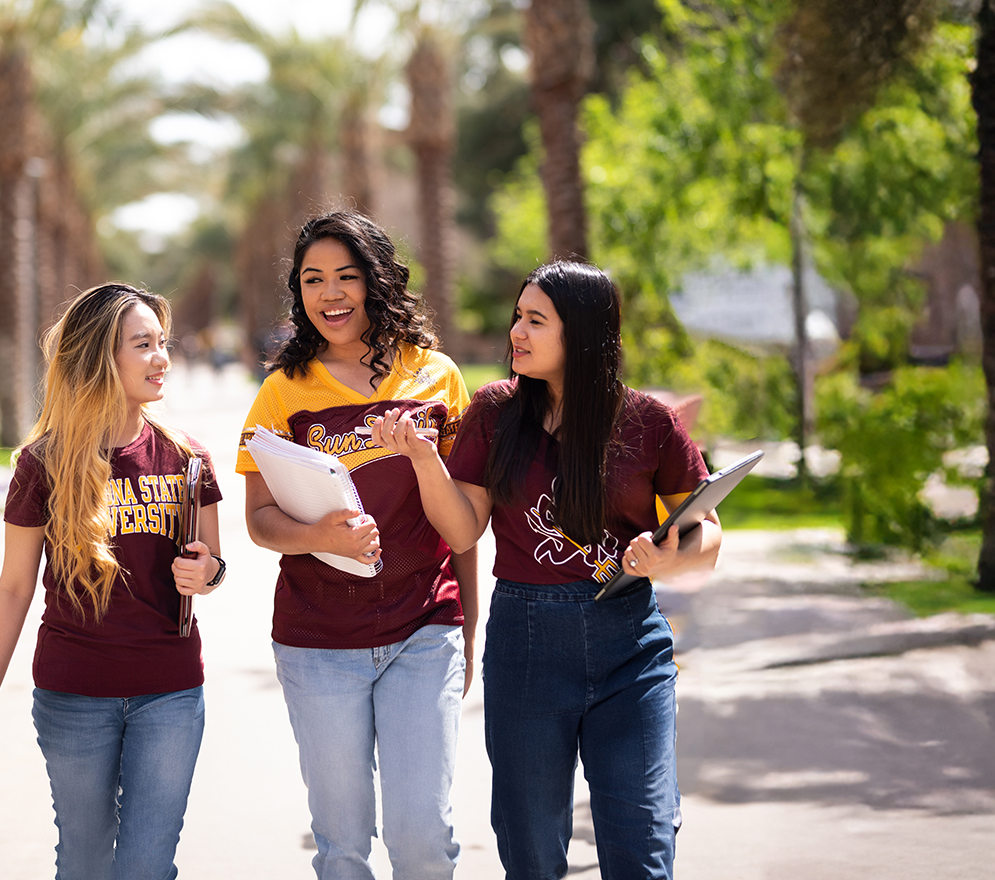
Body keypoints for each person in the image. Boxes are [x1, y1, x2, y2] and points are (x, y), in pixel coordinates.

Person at [368, 260, 722, 879]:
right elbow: (462, 528)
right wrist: (425, 461)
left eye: (536, 321)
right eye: (517, 318)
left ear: (582, 335)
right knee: (531, 852)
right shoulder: (495, 411)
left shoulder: (647, 422)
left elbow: (708, 533)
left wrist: (671, 556)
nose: (516, 334)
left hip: (631, 647)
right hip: (525, 645)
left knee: (643, 846)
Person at [238, 211, 478, 880]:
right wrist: (315, 536)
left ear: (379, 281)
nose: (330, 294)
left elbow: (464, 529)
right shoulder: (283, 393)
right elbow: (258, 518)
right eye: (313, 279)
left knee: (423, 839)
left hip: (424, 632)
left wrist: (471, 631)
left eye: (346, 275)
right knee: (342, 846)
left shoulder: (437, 379)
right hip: (317, 643)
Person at [0, 282, 227, 880]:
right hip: (73, 694)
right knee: (83, 861)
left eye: (163, 343)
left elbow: (214, 567)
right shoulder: (43, 463)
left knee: (147, 864)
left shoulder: (188, 457)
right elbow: (13, 589)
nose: (161, 357)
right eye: (143, 345)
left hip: (171, 691)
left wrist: (206, 571)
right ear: (99, 357)